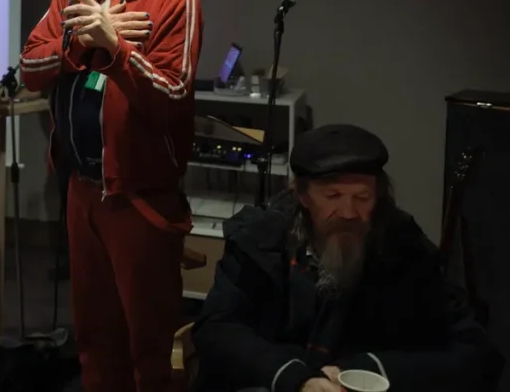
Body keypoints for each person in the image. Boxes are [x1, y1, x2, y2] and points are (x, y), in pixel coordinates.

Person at [19, 0, 203, 391]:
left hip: (139, 199)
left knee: (147, 345)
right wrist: (80, 42)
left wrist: (114, 45)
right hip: (81, 189)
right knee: (94, 339)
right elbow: (30, 67)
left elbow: (171, 95)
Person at [191, 124, 502, 392]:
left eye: (362, 198)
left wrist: (372, 368)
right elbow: (217, 329)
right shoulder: (260, 239)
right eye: (333, 197)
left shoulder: (405, 247)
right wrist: (293, 377)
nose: (349, 213)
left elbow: (476, 354)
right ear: (303, 196)